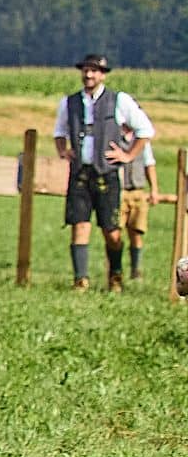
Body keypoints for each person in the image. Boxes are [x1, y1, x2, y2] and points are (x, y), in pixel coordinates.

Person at [52, 53, 154, 292]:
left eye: (94, 71)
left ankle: (115, 276)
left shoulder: (119, 101)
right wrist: (63, 150)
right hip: (80, 173)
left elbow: (145, 130)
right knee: (79, 225)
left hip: (107, 174)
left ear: (102, 75)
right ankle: (80, 280)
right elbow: (59, 131)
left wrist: (128, 155)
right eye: (86, 70)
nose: (88, 75)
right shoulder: (70, 102)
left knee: (111, 231)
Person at [120, 122, 160, 282]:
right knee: (115, 233)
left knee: (136, 232)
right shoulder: (113, 136)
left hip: (137, 191)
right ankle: (115, 271)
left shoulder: (142, 141)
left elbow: (149, 165)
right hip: (120, 190)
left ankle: (136, 270)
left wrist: (154, 189)